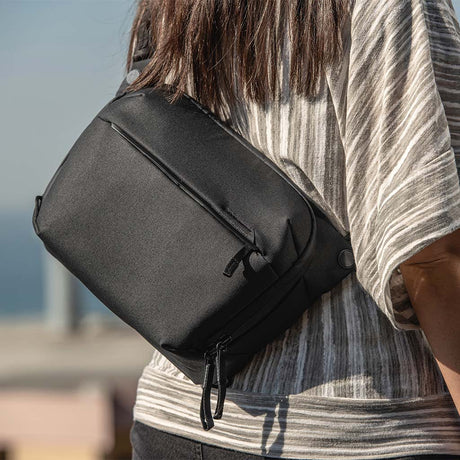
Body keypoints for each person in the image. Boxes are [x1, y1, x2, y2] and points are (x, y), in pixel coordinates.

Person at [124, 0, 460, 458]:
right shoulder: (392, 7)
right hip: (352, 430)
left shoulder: (172, 6)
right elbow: (431, 258)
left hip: (171, 418)